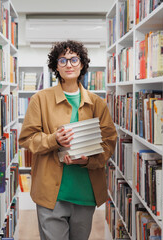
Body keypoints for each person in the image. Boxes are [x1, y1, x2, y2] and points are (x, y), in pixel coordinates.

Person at [18, 40, 117, 240]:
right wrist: (54, 139)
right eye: (62, 60)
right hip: (51, 194)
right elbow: (28, 139)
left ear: (82, 64)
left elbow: (109, 142)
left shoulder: (97, 103)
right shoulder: (40, 99)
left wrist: (88, 160)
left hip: (85, 193)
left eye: (74, 59)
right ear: (56, 66)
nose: (69, 65)